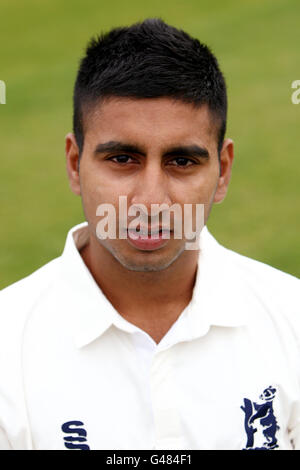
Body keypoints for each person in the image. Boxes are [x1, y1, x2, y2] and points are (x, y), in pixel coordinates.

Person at [0, 18, 299, 451]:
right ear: (74, 163)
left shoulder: (290, 319)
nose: (151, 200)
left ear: (223, 171)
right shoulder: (8, 347)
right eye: (123, 158)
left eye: (182, 162)